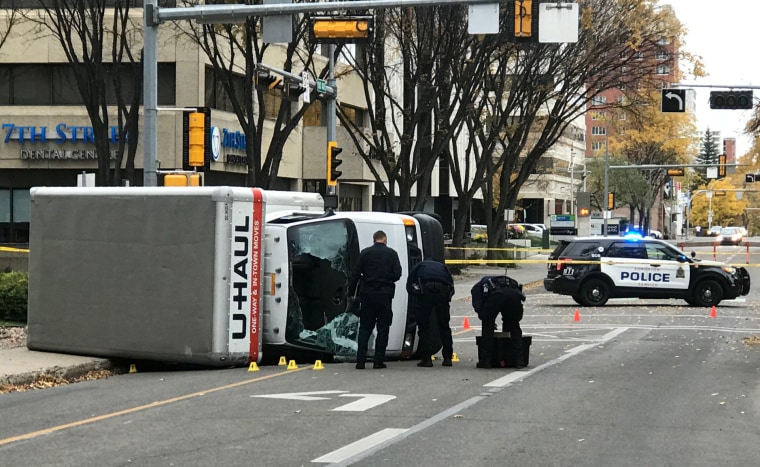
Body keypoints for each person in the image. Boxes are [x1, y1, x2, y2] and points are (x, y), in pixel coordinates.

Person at [348, 230, 402, 369]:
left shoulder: (365, 253)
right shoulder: (391, 253)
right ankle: (378, 360)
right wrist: (386, 277)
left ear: (374, 239)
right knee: (383, 328)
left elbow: (355, 274)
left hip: (367, 295)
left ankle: (361, 361)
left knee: (365, 328)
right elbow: (397, 274)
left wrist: (351, 293)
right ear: (385, 239)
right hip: (384, 295)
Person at [406, 258, 455, 368]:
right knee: (444, 325)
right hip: (442, 290)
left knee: (423, 326)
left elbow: (410, 285)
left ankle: (426, 359)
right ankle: (448, 358)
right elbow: (451, 285)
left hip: (425, 290)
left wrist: (417, 295)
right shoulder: (443, 267)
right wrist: (447, 298)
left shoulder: (418, 266)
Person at [470, 274, 526, 369]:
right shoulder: (511, 283)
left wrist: (487, 318)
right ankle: (518, 360)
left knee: (487, 327)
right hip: (514, 295)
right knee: (514, 326)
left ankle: (486, 361)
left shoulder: (477, 288)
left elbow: (478, 305)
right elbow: (518, 314)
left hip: (495, 296)